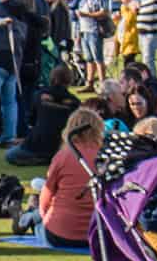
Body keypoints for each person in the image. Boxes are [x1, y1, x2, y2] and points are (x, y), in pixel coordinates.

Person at [38, 105, 112, 245]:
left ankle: (26, 218)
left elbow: (46, 195)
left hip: (60, 232)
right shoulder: (108, 157)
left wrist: (43, 213)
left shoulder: (63, 156)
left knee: (36, 218)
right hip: (97, 235)